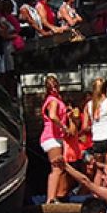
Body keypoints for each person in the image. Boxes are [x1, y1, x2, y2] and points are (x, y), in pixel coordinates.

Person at [39, 75, 72, 203]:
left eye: (55, 86)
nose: (54, 88)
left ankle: (56, 196)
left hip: (54, 137)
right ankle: (51, 198)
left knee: (59, 168)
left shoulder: (53, 100)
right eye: (51, 87)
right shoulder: (53, 100)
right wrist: (64, 127)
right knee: (57, 168)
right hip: (51, 137)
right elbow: (52, 116)